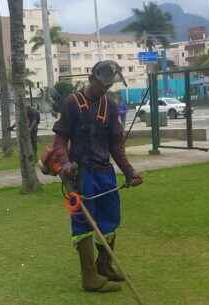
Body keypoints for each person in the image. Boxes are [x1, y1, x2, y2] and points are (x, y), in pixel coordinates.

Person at [48, 60, 143, 293]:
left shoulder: (110, 107)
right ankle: (89, 277)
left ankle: (104, 266)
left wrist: (129, 172)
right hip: (81, 174)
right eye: (102, 84)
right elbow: (59, 141)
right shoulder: (72, 103)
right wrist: (66, 163)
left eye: (108, 85)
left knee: (110, 219)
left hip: (105, 173)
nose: (105, 89)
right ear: (91, 78)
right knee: (83, 222)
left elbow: (116, 145)